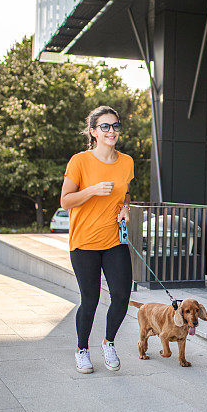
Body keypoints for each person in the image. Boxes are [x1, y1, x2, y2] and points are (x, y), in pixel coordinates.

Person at [60, 105, 134, 373]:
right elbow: (66, 200)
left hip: (114, 240)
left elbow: (125, 193)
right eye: (105, 126)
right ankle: (82, 349)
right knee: (89, 300)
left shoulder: (126, 162)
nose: (111, 131)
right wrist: (91, 190)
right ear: (93, 132)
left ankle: (109, 342)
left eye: (115, 126)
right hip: (84, 243)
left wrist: (126, 208)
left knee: (122, 296)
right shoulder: (79, 161)